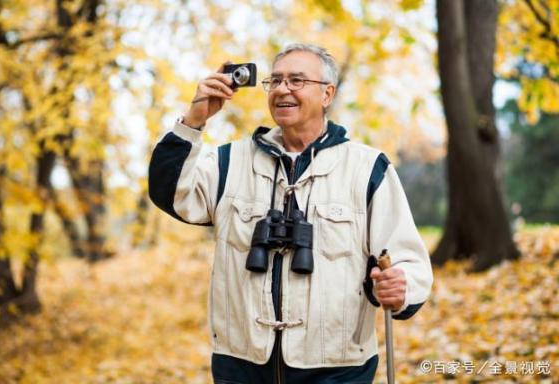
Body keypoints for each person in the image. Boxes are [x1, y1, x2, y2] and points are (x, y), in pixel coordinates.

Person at [148, 43, 433, 384]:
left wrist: (402, 287)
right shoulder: (230, 162)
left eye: (297, 80)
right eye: (276, 80)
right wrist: (194, 120)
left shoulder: (367, 167)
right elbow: (169, 191)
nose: (283, 89)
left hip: (338, 369)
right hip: (242, 365)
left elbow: (407, 261)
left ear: (327, 94)